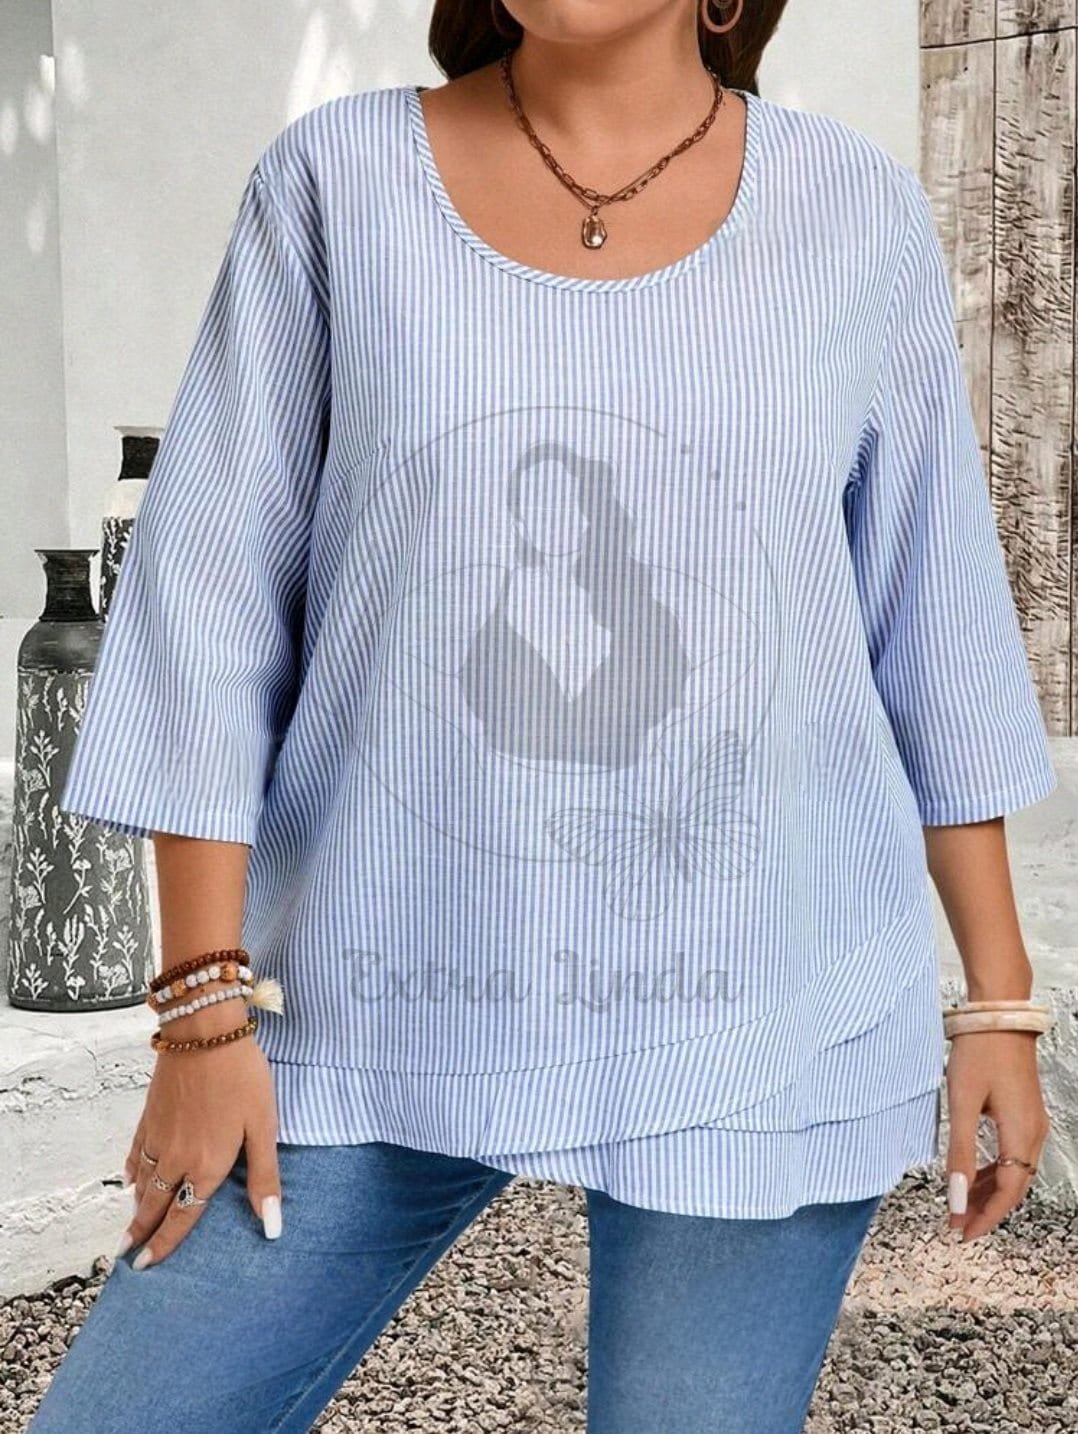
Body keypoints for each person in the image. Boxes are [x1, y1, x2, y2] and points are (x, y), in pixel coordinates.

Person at [29, 1, 1058, 1429]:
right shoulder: (336, 185)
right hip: (373, 988)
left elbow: (929, 620)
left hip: (759, 1006)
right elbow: (209, 609)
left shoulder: (853, 213)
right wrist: (201, 1016)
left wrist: (997, 1000)